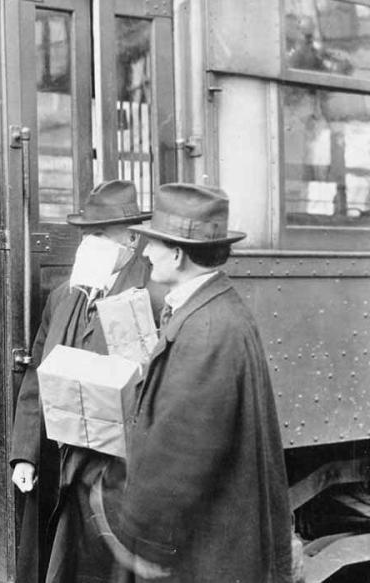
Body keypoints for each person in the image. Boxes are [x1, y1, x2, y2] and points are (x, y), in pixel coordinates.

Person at [100, 183, 292, 581]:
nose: (146, 253)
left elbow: (181, 453)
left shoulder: (204, 327)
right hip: (212, 545)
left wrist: (138, 533)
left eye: (154, 244)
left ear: (177, 253)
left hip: (201, 555)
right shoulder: (215, 310)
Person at [9, 180, 162, 583]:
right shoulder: (64, 296)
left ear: (130, 239)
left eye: (98, 235)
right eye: (84, 235)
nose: (87, 245)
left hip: (113, 476)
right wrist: (24, 453)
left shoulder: (151, 297)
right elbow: (35, 375)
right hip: (58, 468)